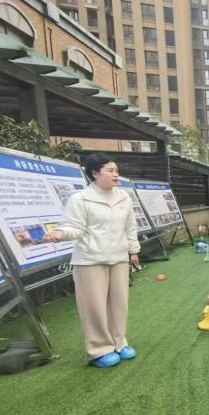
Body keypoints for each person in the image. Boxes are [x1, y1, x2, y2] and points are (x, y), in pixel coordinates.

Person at [43, 155, 140, 368]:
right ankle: (99, 350)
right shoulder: (80, 199)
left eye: (116, 171)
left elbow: (130, 227)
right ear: (95, 173)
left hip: (118, 258)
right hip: (90, 260)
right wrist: (60, 233)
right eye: (110, 171)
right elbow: (74, 227)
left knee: (119, 304)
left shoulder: (123, 197)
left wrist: (133, 250)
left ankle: (119, 343)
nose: (116, 175)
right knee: (94, 307)